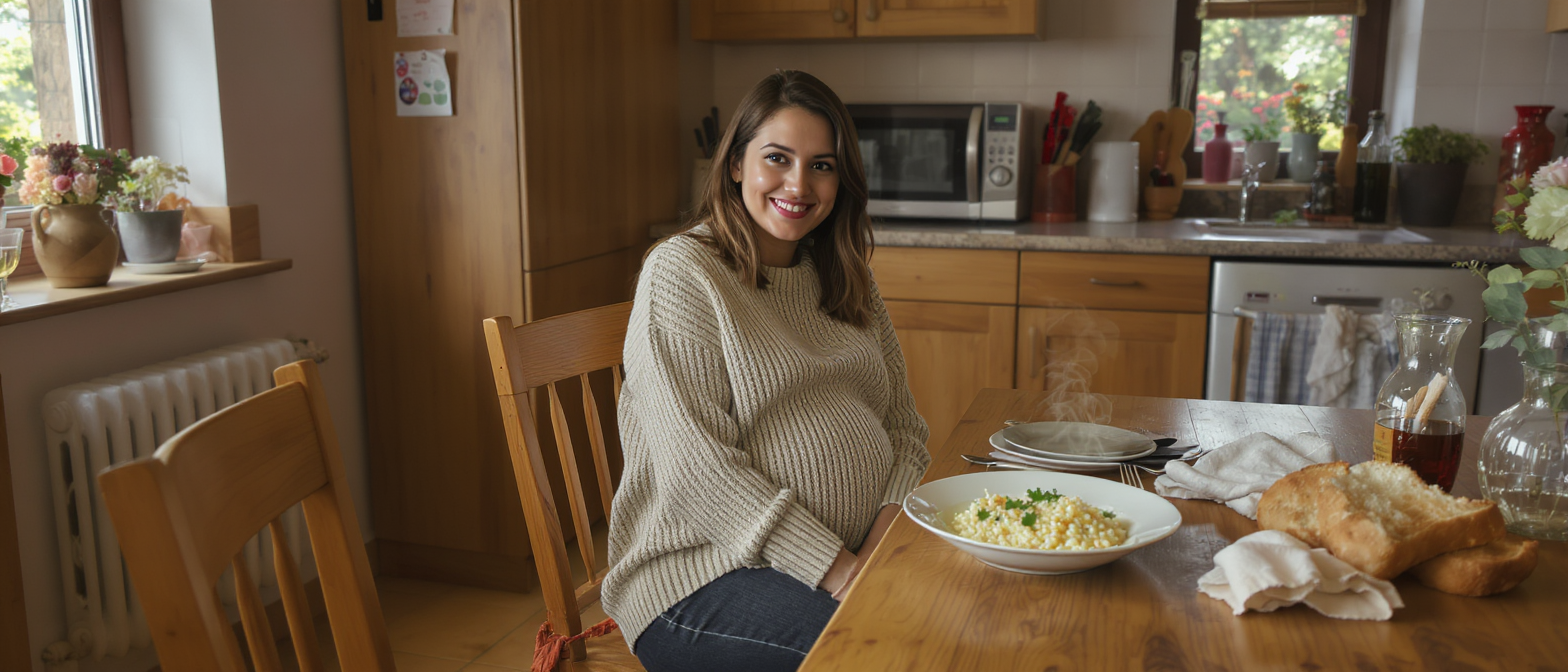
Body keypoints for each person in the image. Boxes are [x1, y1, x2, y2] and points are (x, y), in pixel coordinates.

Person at [600, 70, 931, 672]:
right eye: (776, 158)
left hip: (849, 561)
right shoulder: (684, 273)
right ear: (735, 165)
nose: (798, 184)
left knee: (979, 618)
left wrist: (876, 554)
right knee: (890, 656)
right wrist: (843, 574)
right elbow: (697, 472)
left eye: (822, 165)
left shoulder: (845, 275)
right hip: (700, 578)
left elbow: (904, 428)